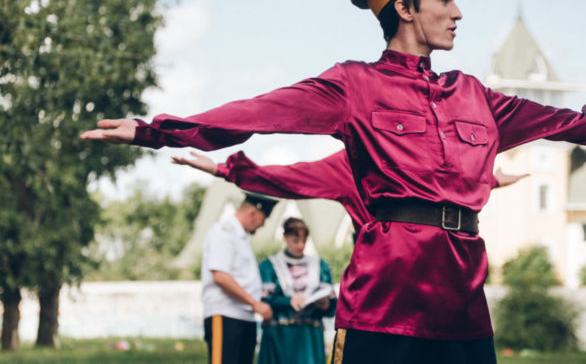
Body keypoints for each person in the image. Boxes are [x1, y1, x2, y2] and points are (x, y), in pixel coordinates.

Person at [81, 0, 586, 363]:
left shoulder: (477, 96)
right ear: (405, 8)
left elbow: (572, 123)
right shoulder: (355, 85)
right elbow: (260, 112)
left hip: (463, 306)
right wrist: (155, 130)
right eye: (445, 0)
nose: (458, 12)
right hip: (386, 304)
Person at [172, 149, 528, 239]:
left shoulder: (411, 154)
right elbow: (287, 178)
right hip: (374, 275)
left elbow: (446, 182)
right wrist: (222, 169)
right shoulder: (347, 164)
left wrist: (489, 179)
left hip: (421, 270)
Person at [200, 190, 277, 364]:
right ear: (253, 212)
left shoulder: (241, 237)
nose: (262, 225)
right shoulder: (223, 232)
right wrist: (254, 303)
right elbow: (220, 276)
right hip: (226, 315)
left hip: (244, 317)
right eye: (263, 220)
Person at [255, 217, 337, 364]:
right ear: (285, 237)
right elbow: (263, 299)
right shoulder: (270, 265)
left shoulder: (320, 265)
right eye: (295, 240)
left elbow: (331, 300)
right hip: (280, 334)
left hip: (309, 336)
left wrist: (326, 305)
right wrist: (288, 301)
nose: (300, 245)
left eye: (304, 240)